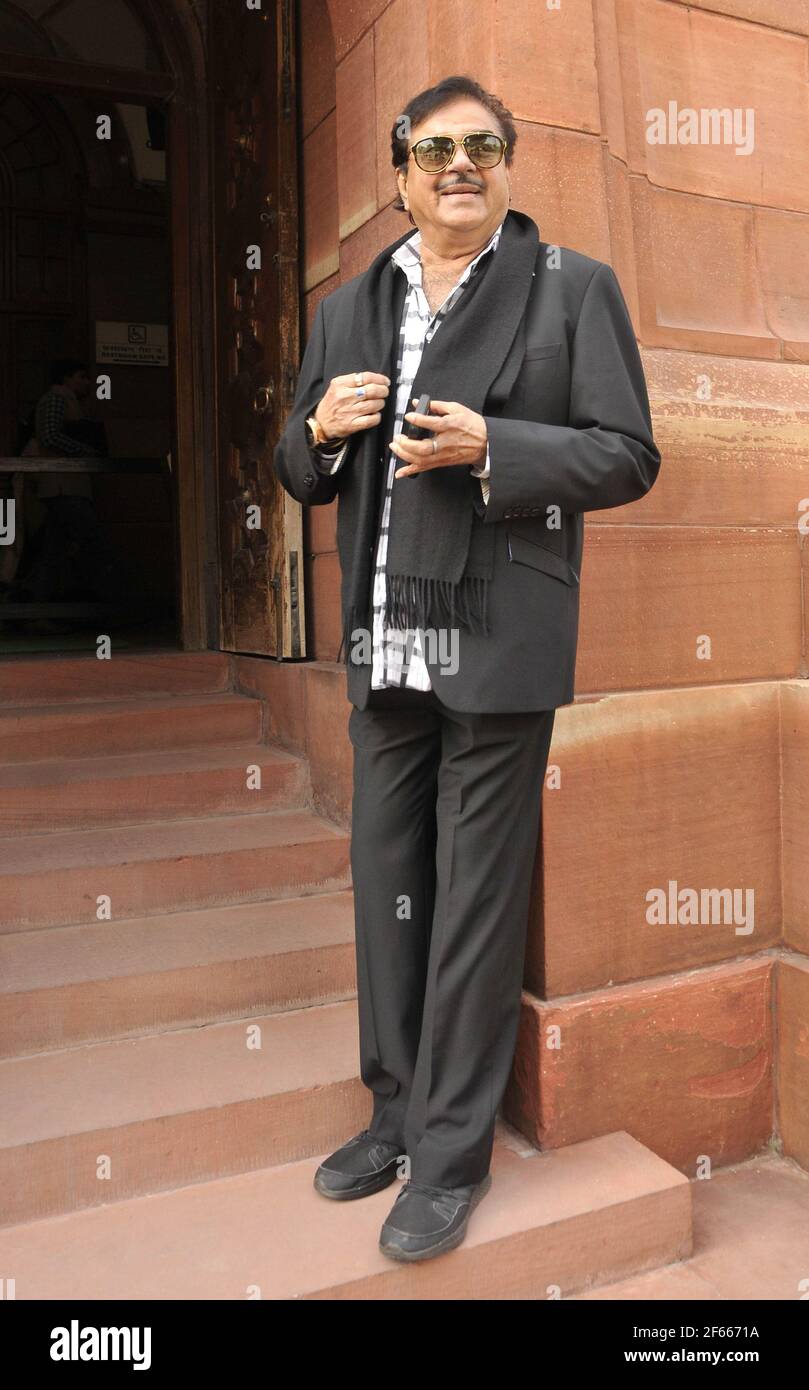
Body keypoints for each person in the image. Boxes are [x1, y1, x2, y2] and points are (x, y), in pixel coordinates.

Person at [274, 75, 661, 1263]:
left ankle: (448, 1157)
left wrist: (500, 444)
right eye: (434, 148)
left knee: (474, 905)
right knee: (388, 885)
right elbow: (293, 465)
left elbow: (627, 452)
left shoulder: (570, 290)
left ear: (506, 167)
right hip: (386, 637)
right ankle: (391, 1112)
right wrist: (321, 432)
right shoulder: (348, 308)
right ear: (399, 171)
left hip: (496, 640)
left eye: (481, 147)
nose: (458, 164)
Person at [11, 359, 118, 628]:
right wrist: (86, 451)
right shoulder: (58, 398)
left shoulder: (64, 400)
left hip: (64, 485)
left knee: (52, 553)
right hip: (63, 485)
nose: (87, 382)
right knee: (94, 544)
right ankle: (108, 609)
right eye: (82, 376)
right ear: (66, 378)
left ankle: (28, 609)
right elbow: (48, 436)